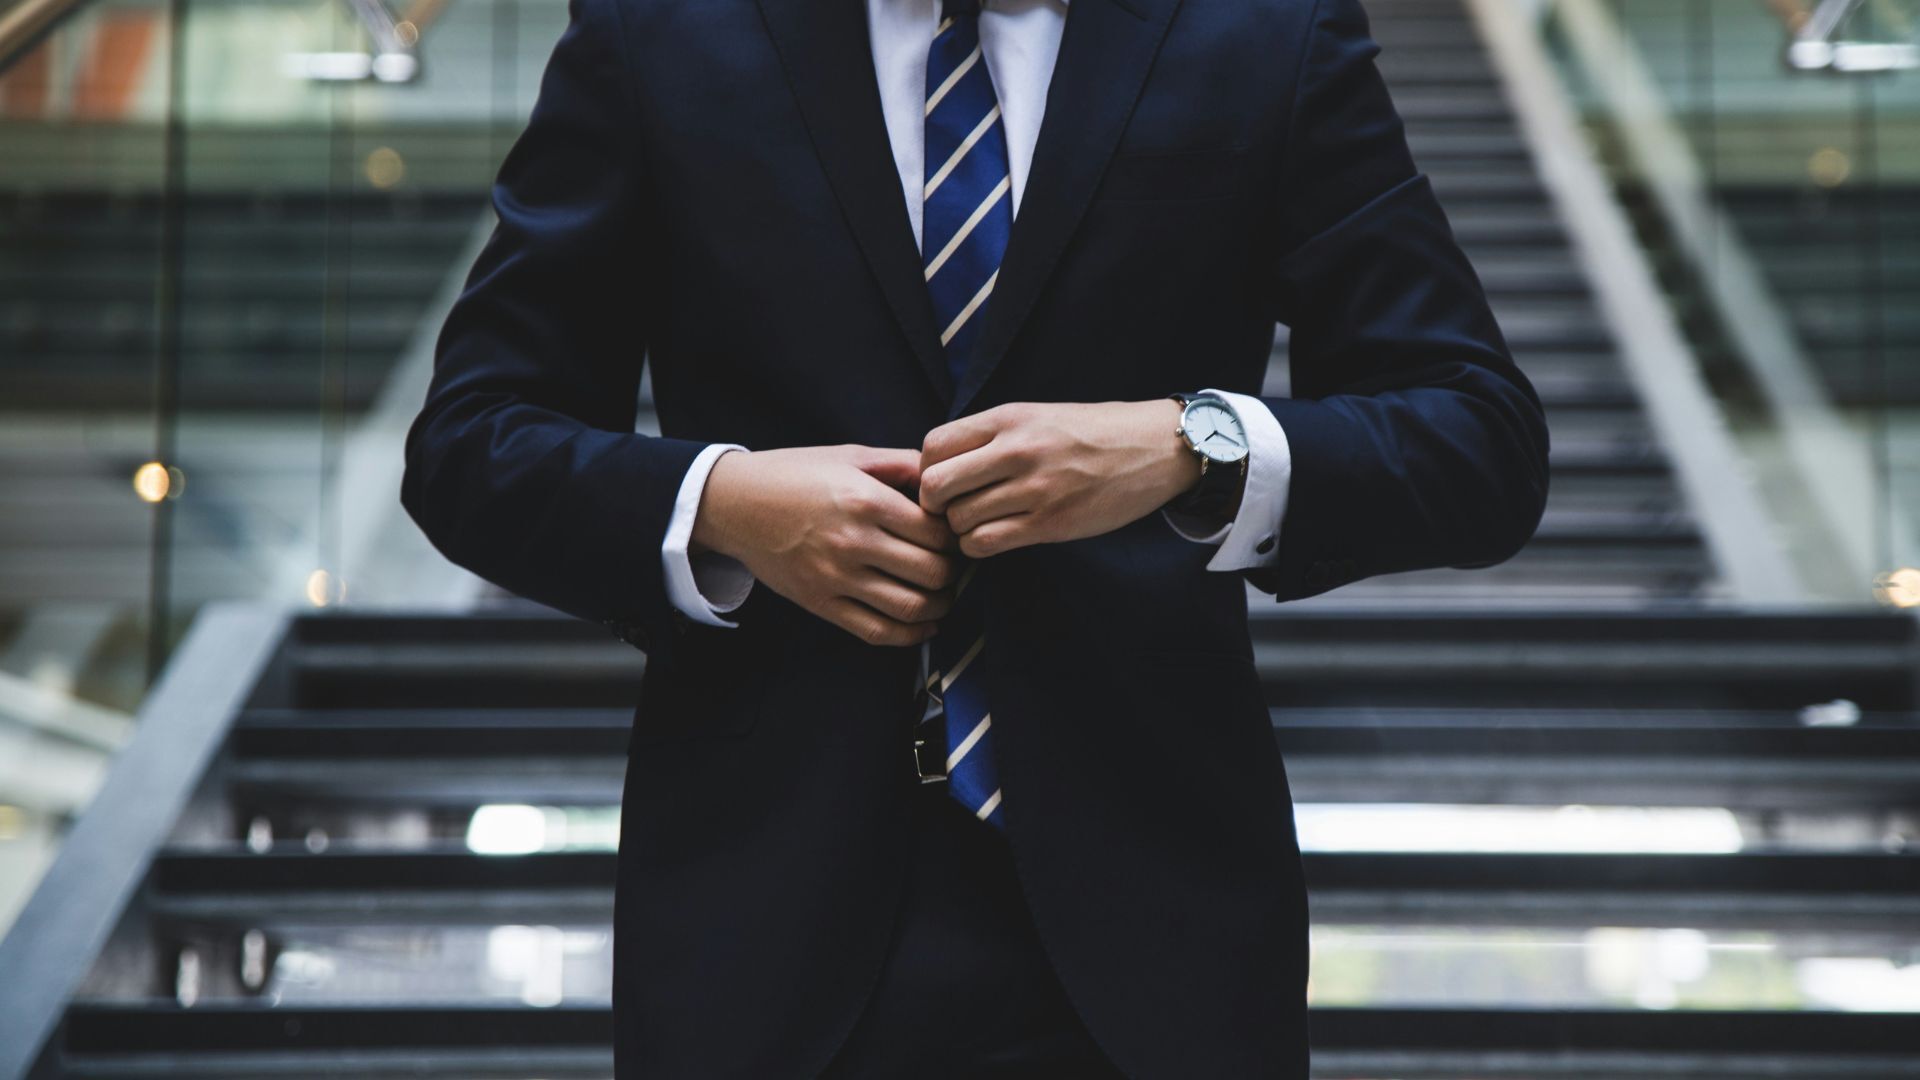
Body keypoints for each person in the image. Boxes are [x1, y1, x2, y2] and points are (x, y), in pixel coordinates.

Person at [401, 0, 1550, 1074]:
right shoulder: (663, 26)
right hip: (758, 917)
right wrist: (724, 507)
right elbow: (469, 443)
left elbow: (1479, 437)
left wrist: (1195, 445)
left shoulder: (1259, 28)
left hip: (1158, 929)